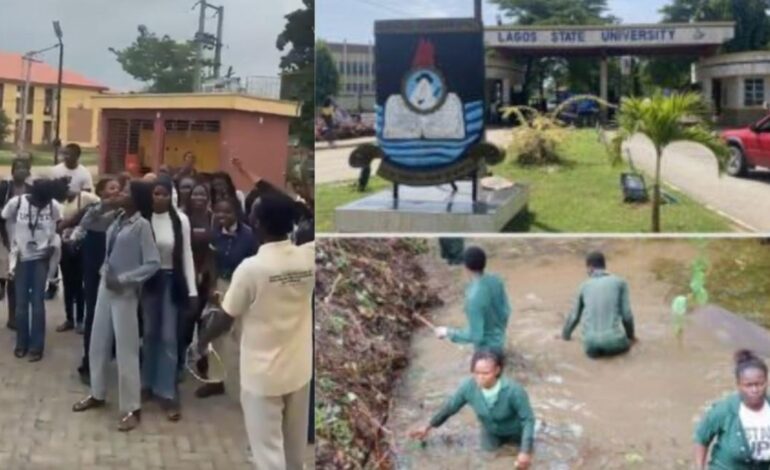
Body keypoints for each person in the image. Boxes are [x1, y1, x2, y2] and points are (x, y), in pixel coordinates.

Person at [197, 194, 314, 470]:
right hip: (299, 370)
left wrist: (201, 342)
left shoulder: (251, 269)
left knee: (267, 454)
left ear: (258, 223)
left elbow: (225, 318)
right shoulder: (309, 256)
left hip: (263, 375)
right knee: (294, 452)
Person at [72, 181, 160, 432]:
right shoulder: (117, 217)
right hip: (105, 286)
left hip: (124, 292)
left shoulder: (142, 226)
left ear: (137, 198)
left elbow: (152, 263)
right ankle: (97, 393)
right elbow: (88, 222)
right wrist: (103, 204)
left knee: (126, 349)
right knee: (97, 342)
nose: (120, 193)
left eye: (126, 191)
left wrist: (124, 279)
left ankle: (132, 407)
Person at [410, 349, 535, 468]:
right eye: (476, 373)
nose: (480, 377)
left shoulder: (514, 391)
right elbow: (450, 407)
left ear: (497, 370)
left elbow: (528, 420)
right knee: (488, 459)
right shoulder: (468, 387)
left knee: (522, 462)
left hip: (516, 432)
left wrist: (525, 451)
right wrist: (429, 426)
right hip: (490, 432)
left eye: (485, 373)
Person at [141, 177, 197, 421]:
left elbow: (187, 254)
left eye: (165, 194)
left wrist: (192, 291)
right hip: (148, 281)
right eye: (156, 193)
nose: (160, 198)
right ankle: (147, 383)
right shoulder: (144, 219)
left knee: (168, 336)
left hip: (172, 280)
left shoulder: (180, 220)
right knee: (149, 333)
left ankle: (167, 391)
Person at [196, 196, 257, 399]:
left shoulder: (249, 236)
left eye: (227, 212)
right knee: (217, 335)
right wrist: (213, 286)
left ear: (236, 213)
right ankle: (215, 380)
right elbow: (211, 261)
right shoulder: (215, 235)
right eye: (219, 212)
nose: (222, 216)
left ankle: (246, 383)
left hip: (242, 287)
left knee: (241, 334)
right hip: (222, 284)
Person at [2, 178, 62, 361]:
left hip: (41, 259)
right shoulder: (17, 203)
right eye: (40, 201)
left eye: (46, 202)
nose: (43, 205)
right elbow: (4, 219)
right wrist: (10, 244)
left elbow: (58, 225)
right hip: (21, 258)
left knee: (37, 304)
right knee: (21, 305)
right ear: (33, 194)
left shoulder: (52, 205)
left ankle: (37, 346)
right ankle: (21, 343)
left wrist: (53, 244)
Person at [74, 177, 124, 384]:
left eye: (119, 188)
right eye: (112, 188)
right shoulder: (95, 211)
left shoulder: (123, 213)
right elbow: (85, 223)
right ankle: (88, 363)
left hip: (116, 268)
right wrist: (105, 205)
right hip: (94, 268)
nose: (116, 191)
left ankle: (110, 354)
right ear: (102, 192)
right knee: (93, 314)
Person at [695, 350, 770, 469]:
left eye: (759, 384)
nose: (754, 390)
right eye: (748, 385)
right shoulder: (725, 410)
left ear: (767, 382)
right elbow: (702, 438)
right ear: (739, 385)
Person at [560, 251, 636, 358]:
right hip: (615, 342)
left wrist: (565, 336)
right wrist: (631, 337)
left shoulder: (583, 286)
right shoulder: (620, 283)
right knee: (630, 347)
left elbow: (574, 316)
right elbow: (627, 316)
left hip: (590, 344)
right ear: (604, 266)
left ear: (590, 268)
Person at [434, 246, 511, 352]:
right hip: (501, 341)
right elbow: (506, 311)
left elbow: (476, 336)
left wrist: (448, 332)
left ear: (466, 267)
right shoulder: (496, 280)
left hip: (486, 350)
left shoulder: (472, 298)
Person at [56, 183, 100, 333]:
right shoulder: (60, 203)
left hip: (80, 244)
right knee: (67, 283)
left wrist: (78, 218)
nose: (68, 190)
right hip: (64, 245)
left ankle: (81, 319)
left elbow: (99, 205)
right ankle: (69, 318)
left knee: (79, 283)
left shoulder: (85, 197)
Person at [0, 157, 32, 330]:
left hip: (23, 240)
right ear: (12, 171)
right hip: (3, 237)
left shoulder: (32, 191)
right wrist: (4, 237)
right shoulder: (4, 189)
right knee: (4, 279)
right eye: (17, 168)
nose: (21, 171)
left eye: (24, 168)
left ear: (28, 171)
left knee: (15, 280)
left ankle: (14, 317)